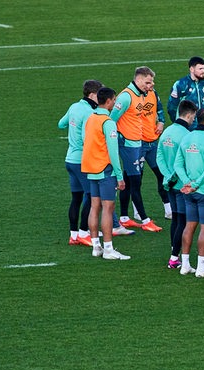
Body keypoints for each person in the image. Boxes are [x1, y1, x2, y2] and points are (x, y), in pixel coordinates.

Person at [110, 66, 163, 232]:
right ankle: (145, 221)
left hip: (136, 143)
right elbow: (110, 121)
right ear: (139, 79)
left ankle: (124, 217)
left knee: (128, 179)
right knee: (135, 181)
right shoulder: (126, 97)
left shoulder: (140, 95)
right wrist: (119, 139)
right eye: (148, 82)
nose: (151, 85)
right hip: (128, 144)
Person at [81, 87, 130, 260]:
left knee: (95, 207)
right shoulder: (107, 122)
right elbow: (113, 151)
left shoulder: (91, 118)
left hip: (91, 168)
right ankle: (108, 249)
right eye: (114, 99)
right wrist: (120, 176)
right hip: (104, 169)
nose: (115, 102)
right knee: (108, 209)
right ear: (108, 101)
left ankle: (96, 246)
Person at [174, 108, 204, 277]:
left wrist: (187, 182)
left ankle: (185, 265)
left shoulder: (186, 138)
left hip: (188, 192)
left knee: (189, 225)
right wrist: (195, 184)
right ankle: (201, 267)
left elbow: (177, 165)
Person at [59, 79, 103, 247]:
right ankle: (84, 232)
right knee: (91, 197)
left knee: (76, 198)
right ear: (92, 95)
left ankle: (74, 234)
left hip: (70, 159)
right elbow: (87, 139)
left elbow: (61, 124)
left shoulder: (74, 107)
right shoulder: (89, 113)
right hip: (82, 161)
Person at [157, 100, 198, 269]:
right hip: (181, 185)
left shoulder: (167, 132)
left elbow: (159, 157)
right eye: (193, 117)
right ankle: (174, 258)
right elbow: (184, 162)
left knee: (176, 219)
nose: (194, 120)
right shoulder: (186, 136)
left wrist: (167, 177)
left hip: (169, 184)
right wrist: (176, 177)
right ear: (188, 115)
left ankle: (174, 251)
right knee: (183, 221)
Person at [135, 88, 169, 224]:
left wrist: (161, 121)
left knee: (161, 174)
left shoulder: (153, 93)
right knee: (137, 179)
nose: (151, 85)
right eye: (148, 82)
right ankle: (137, 212)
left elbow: (159, 108)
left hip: (152, 142)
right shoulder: (130, 97)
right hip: (138, 144)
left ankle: (168, 208)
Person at [167, 56, 204, 129]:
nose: (203, 71)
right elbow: (172, 107)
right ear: (192, 69)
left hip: (200, 127)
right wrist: (178, 123)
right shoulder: (180, 84)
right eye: (200, 69)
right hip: (185, 127)